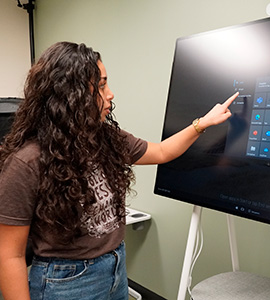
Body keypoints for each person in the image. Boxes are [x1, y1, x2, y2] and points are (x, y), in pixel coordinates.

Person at [0, 41, 238, 300]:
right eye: (101, 86)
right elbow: (9, 254)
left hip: (115, 268)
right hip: (66, 282)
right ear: (71, 95)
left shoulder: (104, 137)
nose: (111, 94)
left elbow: (161, 152)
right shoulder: (27, 162)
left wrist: (203, 123)